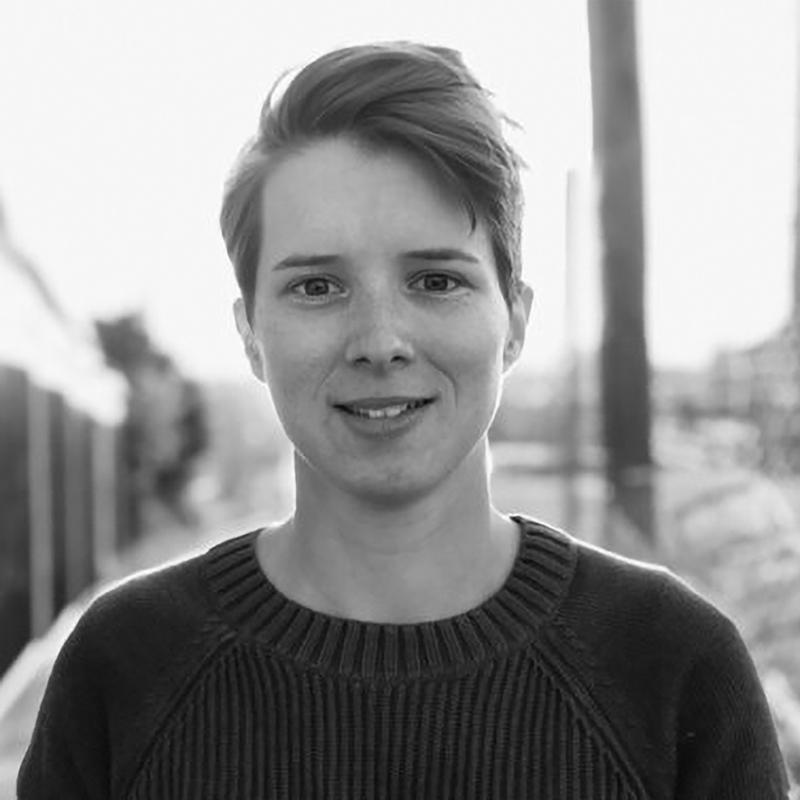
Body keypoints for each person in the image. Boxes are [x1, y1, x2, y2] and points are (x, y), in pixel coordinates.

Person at [18, 41, 790, 799]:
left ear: (515, 321)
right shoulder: (124, 665)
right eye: (317, 287)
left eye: (435, 280)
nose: (380, 341)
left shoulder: (673, 666)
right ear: (250, 333)